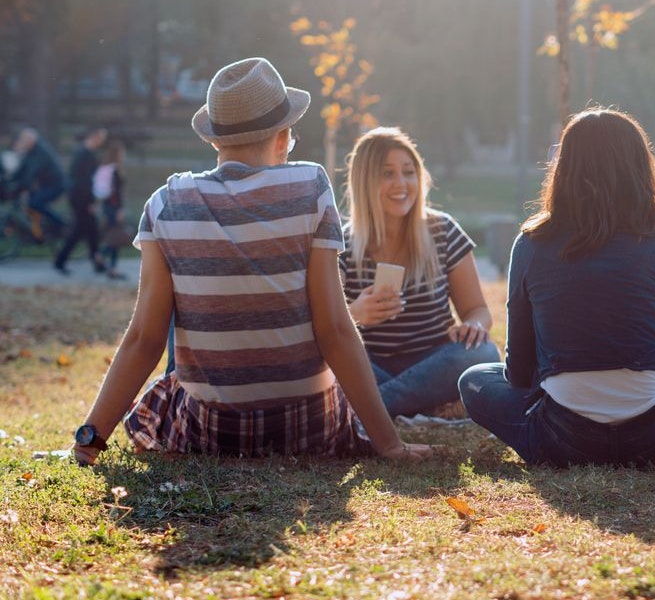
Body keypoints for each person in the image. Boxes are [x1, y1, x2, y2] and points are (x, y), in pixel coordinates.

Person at [71, 57, 432, 466]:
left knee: (177, 340)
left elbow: (144, 339)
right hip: (308, 427)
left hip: (212, 433)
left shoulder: (166, 202)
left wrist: (89, 439)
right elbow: (334, 327)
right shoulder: (310, 186)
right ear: (283, 135)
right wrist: (389, 445)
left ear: (214, 141)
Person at [458, 107, 655, 467]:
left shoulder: (531, 244)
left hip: (563, 438)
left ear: (565, 169)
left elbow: (520, 373)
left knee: (475, 380)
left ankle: (541, 438)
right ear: (639, 170)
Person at [339, 126, 498, 418]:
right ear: (364, 181)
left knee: (483, 353)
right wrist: (355, 314)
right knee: (330, 362)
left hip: (435, 361)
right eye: (387, 173)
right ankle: (423, 406)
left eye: (408, 172)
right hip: (372, 365)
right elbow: (328, 330)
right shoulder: (342, 245)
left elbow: (478, 310)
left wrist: (474, 326)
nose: (401, 183)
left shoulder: (444, 230)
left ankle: (371, 409)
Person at [54, 127, 110, 275]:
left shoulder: (84, 153)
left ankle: (97, 262)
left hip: (80, 197)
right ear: (94, 136)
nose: (102, 141)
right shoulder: (84, 155)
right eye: (101, 138)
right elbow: (83, 181)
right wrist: (90, 202)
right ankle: (60, 261)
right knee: (79, 232)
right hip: (81, 199)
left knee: (91, 231)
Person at [8, 127, 66, 239]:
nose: (22, 142)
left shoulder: (40, 152)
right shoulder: (31, 151)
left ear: (31, 140)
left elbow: (30, 174)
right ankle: (37, 233)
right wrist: (10, 180)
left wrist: (19, 186)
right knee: (31, 203)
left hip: (57, 184)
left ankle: (59, 223)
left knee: (35, 203)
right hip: (46, 184)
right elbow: (22, 170)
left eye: (24, 140)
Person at [93, 140, 129, 280]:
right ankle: (104, 259)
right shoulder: (115, 171)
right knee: (115, 238)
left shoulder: (105, 168)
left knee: (112, 237)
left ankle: (105, 261)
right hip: (114, 208)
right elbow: (116, 193)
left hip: (106, 206)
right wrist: (120, 210)